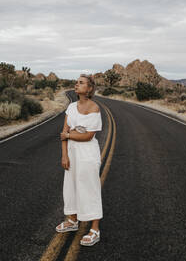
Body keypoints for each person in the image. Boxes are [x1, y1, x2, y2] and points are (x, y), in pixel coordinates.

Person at [56, 74, 103, 246]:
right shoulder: (71, 107)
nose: (76, 85)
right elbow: (63, 133)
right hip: (72, 152)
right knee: (71, 186)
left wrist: (70, 134)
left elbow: (89, 136)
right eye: (76, 82)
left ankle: (95, 229)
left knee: (89, 188)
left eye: (81, 83)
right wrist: (64, 155)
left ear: (89, 88)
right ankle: (73, 221)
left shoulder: (94, 109)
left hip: (88, 154)